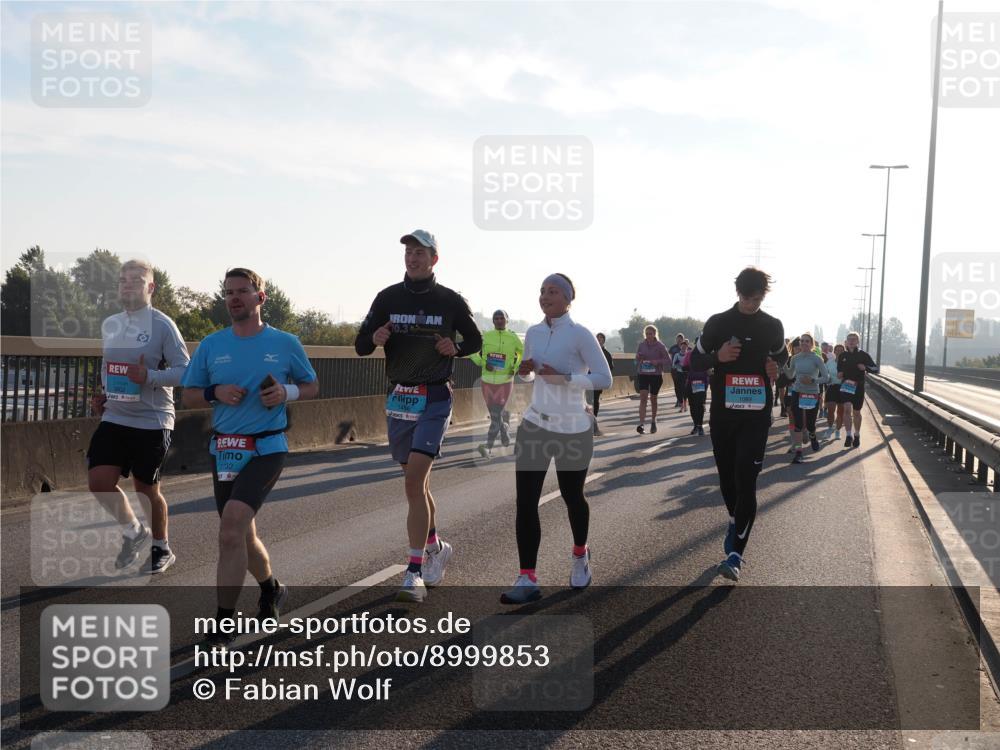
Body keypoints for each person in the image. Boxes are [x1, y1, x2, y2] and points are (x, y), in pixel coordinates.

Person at [181, 267, 319, 645]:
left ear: (261, 297)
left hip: (267, 446)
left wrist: (286, 393)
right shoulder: (211, 345)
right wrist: (215, 393)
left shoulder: (285, 342)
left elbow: (311, 385)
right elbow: (189, 395)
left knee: (231, 527)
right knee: (241, 533)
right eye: (228, 293)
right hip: (224, 448)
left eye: (242, 291)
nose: (234, 298)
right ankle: (271, 588)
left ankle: (224, 620)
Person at [355, 230, 482, 603]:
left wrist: (454, 348)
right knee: (417, 486)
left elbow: (474, 341)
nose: (412, 258)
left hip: (435, 397)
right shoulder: (387, 297)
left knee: (414, 483)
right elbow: (361, 346)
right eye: (408, 252)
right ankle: (435, 546)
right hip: (400, 397)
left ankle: (413, 573)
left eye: (420, 252)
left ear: (434, 259)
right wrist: (375, 337)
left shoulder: (450, 300)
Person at [501, 274, 612, 604]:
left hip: (573, 428)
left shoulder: (580, 334)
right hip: (535, 424)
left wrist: (565, 378)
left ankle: (580, 554)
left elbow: (603, 378)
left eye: (552, 291)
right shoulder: (533, 333)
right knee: (526, 501)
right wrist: (527, 369)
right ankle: (527, 578)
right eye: (542, 291)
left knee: (572, 496)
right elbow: (535, 372)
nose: (545, 296)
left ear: (567, 299)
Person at [87, 259, 189, 575]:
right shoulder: (111, 324)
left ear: (151, 287)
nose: (127, 284)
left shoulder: (162, 325)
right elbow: (109, 365)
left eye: (135, 279)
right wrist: (105, 394)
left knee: (146, 489)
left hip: (152, 419)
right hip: (116, 414)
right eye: (122, 280)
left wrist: (149, 376)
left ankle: (162, 547)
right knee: (99, 482)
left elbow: (185, 372)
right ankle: (134, 531)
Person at [690, 267, 786, 582]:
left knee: (747, 477)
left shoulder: (772, 326)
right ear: (737, 293)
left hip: (757, 415)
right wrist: (718, 356)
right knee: (728, 480)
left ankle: (735, 556)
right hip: (723, 415)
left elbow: (782, 359)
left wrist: (775, 368)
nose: (750, 304)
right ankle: (735, 519)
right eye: (746, 298)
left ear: (763, 296)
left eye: (756, 299)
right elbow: (694, 361)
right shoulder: (718, 323)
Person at [470, 310, 523, 458]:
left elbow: (521, 352)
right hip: (487, 381)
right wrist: (482, 363)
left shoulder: (513, 337)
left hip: (505, 381)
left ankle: (488, 446)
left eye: (502, 318)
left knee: (495, 414)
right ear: (493, 321)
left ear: (507, 320)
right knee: (495, 415)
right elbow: (473, 351)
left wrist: (515, 367)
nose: (499, 320)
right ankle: (504, 428)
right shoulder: (486, 336)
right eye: (496, 318)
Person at [783, 333, 829, 463]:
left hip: (812, 393)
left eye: (807, 341)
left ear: (811, 344)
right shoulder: (795, 358)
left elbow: (826, 377)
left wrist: (813, 380)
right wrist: (783, 366)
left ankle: (813, 435)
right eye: (802, 341)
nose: (803, 343)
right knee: (798, 424)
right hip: (797, 392)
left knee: (809, 424)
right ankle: (799, 452)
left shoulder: (817, 359)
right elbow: (790, 374)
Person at [837, 332, 879, 449]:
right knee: (846, 409)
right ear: (846, 341)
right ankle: (848, 435)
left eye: (854, 339)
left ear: (858, 342)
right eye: (849, 339)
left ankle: (857, 435)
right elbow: (839, 371)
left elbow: (876, 369)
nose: (851, 341)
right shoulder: (842, 356)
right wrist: (839, 374)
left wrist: (865, 368)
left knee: (856, 412)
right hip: (846, 385)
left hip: (859, 386)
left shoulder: (863, 355)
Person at [635, 325, 670, 434]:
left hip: (656, 375)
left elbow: (668, 360)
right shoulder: (641, 345)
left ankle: (653, 420)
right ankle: (641, 424)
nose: (649, 336)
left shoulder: (660, 346)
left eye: (650, 334)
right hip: (643, 374)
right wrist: (638, 357)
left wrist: (657, 361)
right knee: (643, 398)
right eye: (647, 334)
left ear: (655, 334)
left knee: (653, 399)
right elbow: (637, 357)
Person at [591, 332, 615, 435]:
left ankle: (594, 421)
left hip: (598, 380)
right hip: (588, 379)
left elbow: (610, 367)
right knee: (587, 401)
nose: (599, 340)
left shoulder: (606, 353)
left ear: (603, 341)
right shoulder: (589, 351)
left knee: (595, 400)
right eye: (597, 338)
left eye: (601, 339)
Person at [684, 338, 709, 436]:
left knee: (700, 404)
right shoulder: (689, 354)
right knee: (693, 405)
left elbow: (710, 368)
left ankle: (700, 426)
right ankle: (695, 424)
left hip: (702, 382)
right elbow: (684, 366)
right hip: (691, 382)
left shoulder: (706, 355)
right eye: (698, 344)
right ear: (695, 344)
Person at [823, 343, 845, 440]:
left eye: (841, 350)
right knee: (830, 410)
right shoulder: (830, 362)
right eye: (837, 350)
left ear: (844, 352)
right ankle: (829, 428)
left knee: (840, 412)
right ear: (834, 351)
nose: (839, 352)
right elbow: (825, 374)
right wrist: (827, 379)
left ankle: (838, 431)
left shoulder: (846, 362)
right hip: (832, 387)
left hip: (843, 388)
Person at [671, 339, 690, 413]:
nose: (683, 348)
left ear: (687, 347)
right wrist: (677, 364)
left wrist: (685, 366)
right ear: (680, 347)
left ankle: (684, 405)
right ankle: (681, 404)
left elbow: (690, 364)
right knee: (678, 390)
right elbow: (673, 365)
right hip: (679, 374)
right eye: (682, 346)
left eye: (685, 347)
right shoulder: (677, 355)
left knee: (685, 390)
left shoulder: (688, 354)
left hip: (686, 374)